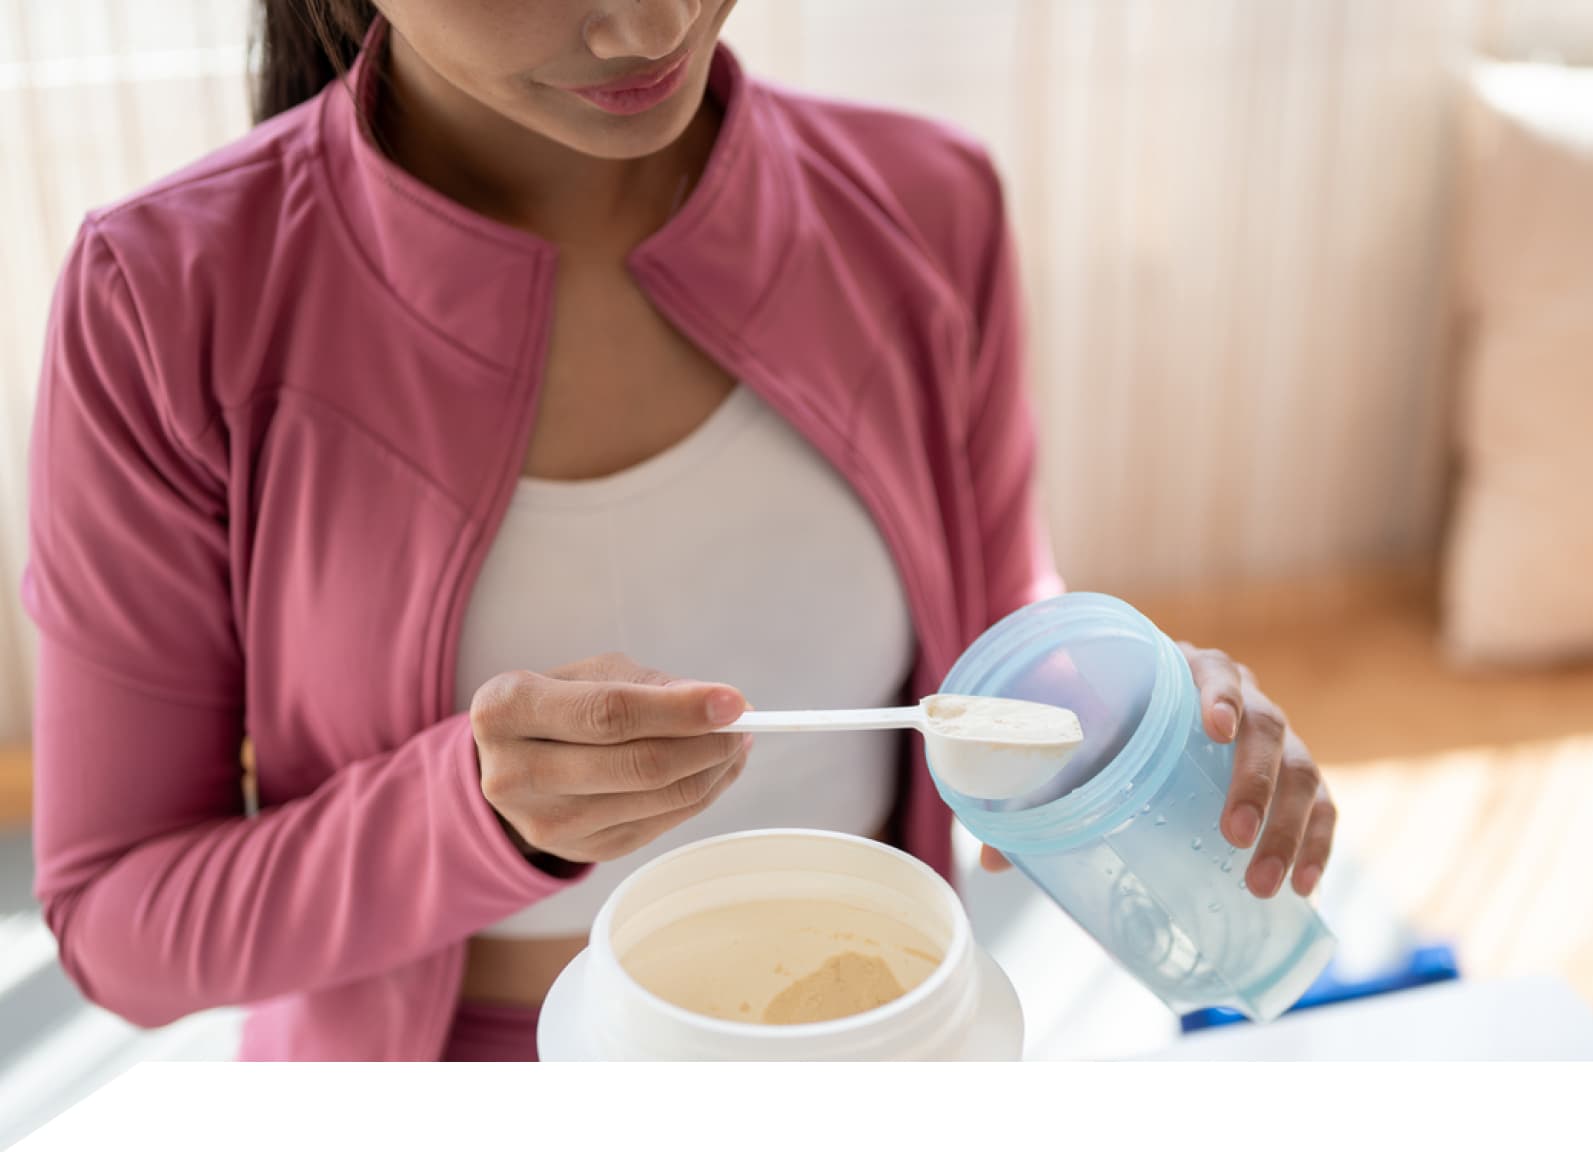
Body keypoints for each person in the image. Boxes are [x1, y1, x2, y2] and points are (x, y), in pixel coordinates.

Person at [25, 0, 1337, 1061]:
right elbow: (119, 927)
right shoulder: (165, 303)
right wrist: (474, 816)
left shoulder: (927, 207)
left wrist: (1143, 720)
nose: (645, 25)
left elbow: (996, 662)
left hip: (880, 1045)